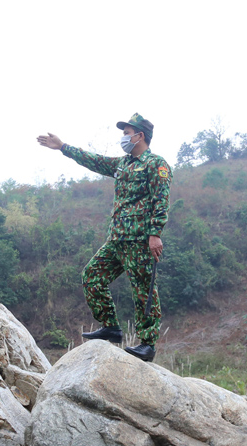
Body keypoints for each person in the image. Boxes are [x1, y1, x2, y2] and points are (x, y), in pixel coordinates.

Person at [37, 113, 171, 362]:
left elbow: (161, 200)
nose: (123, 137)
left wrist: (155, 234)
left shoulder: (155, 164)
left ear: (139, 135)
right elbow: (94, 161)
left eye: (127, 132)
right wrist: (63, 147)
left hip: (140, 240)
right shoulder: (123, 164)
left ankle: (148, 343)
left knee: (143, 291)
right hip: (117, 240)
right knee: (92, 276)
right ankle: (111, 326)